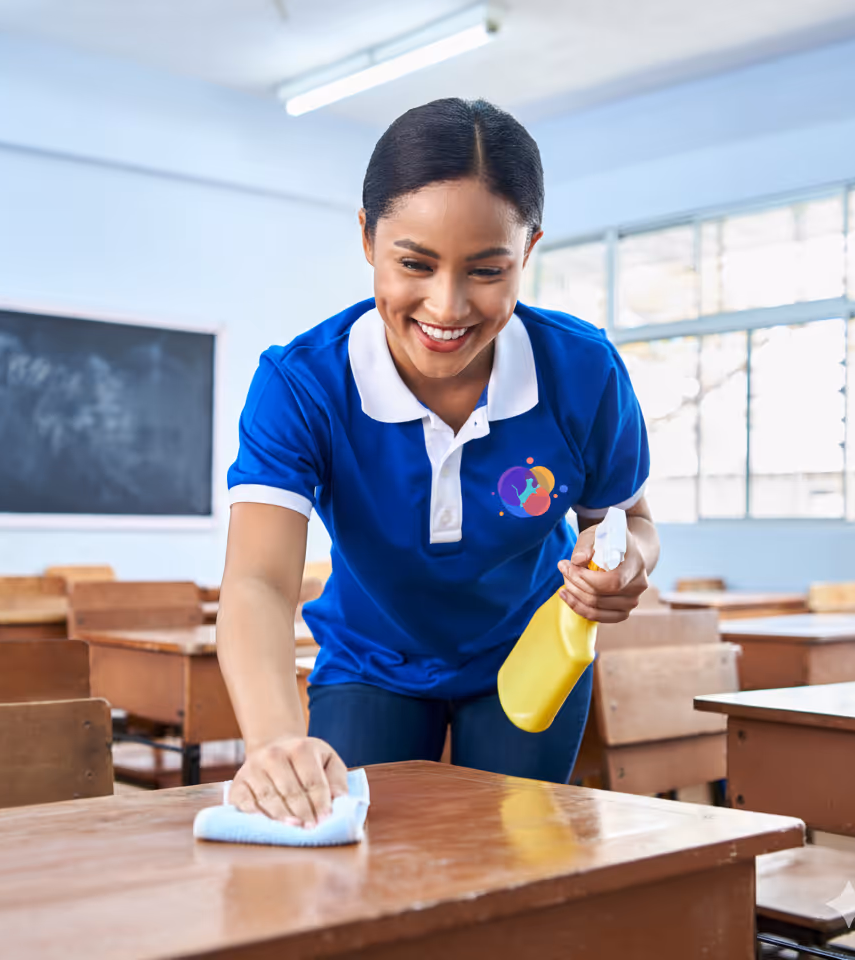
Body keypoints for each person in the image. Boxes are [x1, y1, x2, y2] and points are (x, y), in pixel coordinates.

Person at [216, 98, 658, 828]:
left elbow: (629, 519)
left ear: (529, 251)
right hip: (369, 661)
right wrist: (271, 742)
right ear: (366, 238)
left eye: (487, 270)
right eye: (414, 264)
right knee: (362, 873)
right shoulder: (303, 384)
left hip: (531, 657)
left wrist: (627, 560)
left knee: (514, 865)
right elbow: (259, 582)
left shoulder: (583, 371)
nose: (447, 307)